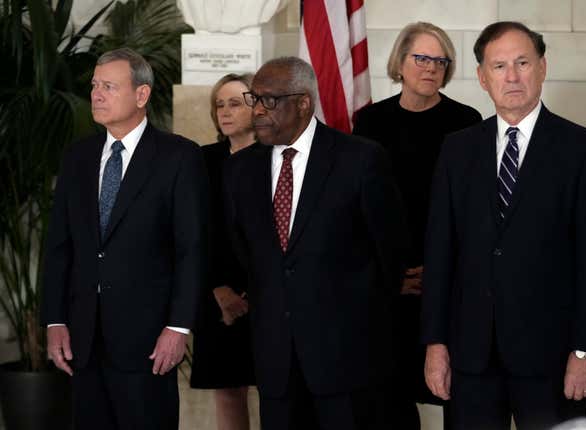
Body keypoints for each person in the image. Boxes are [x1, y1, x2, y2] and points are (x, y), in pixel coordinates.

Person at [421, 21, 586, 430]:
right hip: (471, 357)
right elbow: (440, 254)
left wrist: (585, 352)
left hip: (552, 359)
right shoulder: (457, 150)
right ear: (481, 77)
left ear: (542, 68)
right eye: (499, 66)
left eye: (522, 62)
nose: (512, 76)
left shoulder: (583, 150)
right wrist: (435, 344)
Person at [220, 56, 407, 430]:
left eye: (268, 101)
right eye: (253, 98)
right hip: (276, 363)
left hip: (348, 363)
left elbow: (390, 254)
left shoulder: (360, 159)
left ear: (303, 103)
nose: (257, 110)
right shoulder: (240, 170)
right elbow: (245, 251)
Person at [41, 48, 209, 429]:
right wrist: (54, 320)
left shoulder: (179, 157)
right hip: (82, 340)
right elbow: (59, 246)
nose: (96, 94)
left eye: (109, 86)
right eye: (95, 85)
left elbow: (192, 249)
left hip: (149, 342)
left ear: (141, 95)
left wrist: (179, 326)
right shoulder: (77, 157)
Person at [353, 22, 481, 430]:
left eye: (440, 60)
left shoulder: (467, 121)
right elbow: (361, 208)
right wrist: (392, 276)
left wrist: (439, 271)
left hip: (450, 279)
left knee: (454, 392)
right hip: (389, 282)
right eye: (421, 58)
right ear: (400, 63)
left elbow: (473, 210)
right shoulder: (370, 121)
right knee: (390, 398)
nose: (431, 68)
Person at [190, 73, 256, 430]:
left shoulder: (275, 157)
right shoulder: (202, 160)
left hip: (268, 293)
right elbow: (194, 233)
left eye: (235, 103)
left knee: (281, 390)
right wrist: (217, 288)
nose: (225, 111)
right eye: (220, 104)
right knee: (228, 391)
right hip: (216, 293)